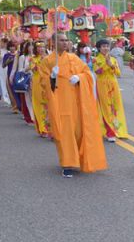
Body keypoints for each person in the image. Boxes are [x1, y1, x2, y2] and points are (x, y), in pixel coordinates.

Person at [37, 34, 107, 178]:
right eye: (61, 40)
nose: (65, 43)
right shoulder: (47, 61)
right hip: (59, 103)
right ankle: (67, 163)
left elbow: (87, 73)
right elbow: (43, 84)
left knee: (79, 131)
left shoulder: (74, 58)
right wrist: (51, 77)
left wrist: (79, 78)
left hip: (76, 101)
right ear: (54, 42)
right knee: (64, 133)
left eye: (66, 40)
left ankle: (80, 159)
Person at [93, 39, 128, 142]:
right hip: (102, 85)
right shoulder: (95, 59)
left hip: (113, 85)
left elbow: (118, 73)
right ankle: (109, 132)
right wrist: (106, 64)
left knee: (115, 107)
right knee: (106, 108)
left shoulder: (113, 59)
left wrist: (111, 64)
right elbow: (97, 71)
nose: (106, 48)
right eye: (103, 46)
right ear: (99, 48)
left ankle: (117, 129)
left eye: (107, 46)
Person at [31, 41, 51, 138]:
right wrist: (40, 62)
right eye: (39, 47)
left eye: (43, 47)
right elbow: (33, 70)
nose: (41, 49)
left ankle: (50, 127)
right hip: (37, 83)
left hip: (47, 83)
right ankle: (43, 128)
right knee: (39, 105)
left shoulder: (50, 58)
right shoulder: (33, 59)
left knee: (49, 105)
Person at [15, 41, 35, 125]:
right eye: (29, 46)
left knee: (35, 99)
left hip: (36, 80)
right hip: (27, 79)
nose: (31, 48)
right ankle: (30, 117)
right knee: (28, 99)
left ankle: (36, 118)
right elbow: (20, 70)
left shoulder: (36, 57)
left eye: (32, 46)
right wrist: (27, 69)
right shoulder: (23, 57)